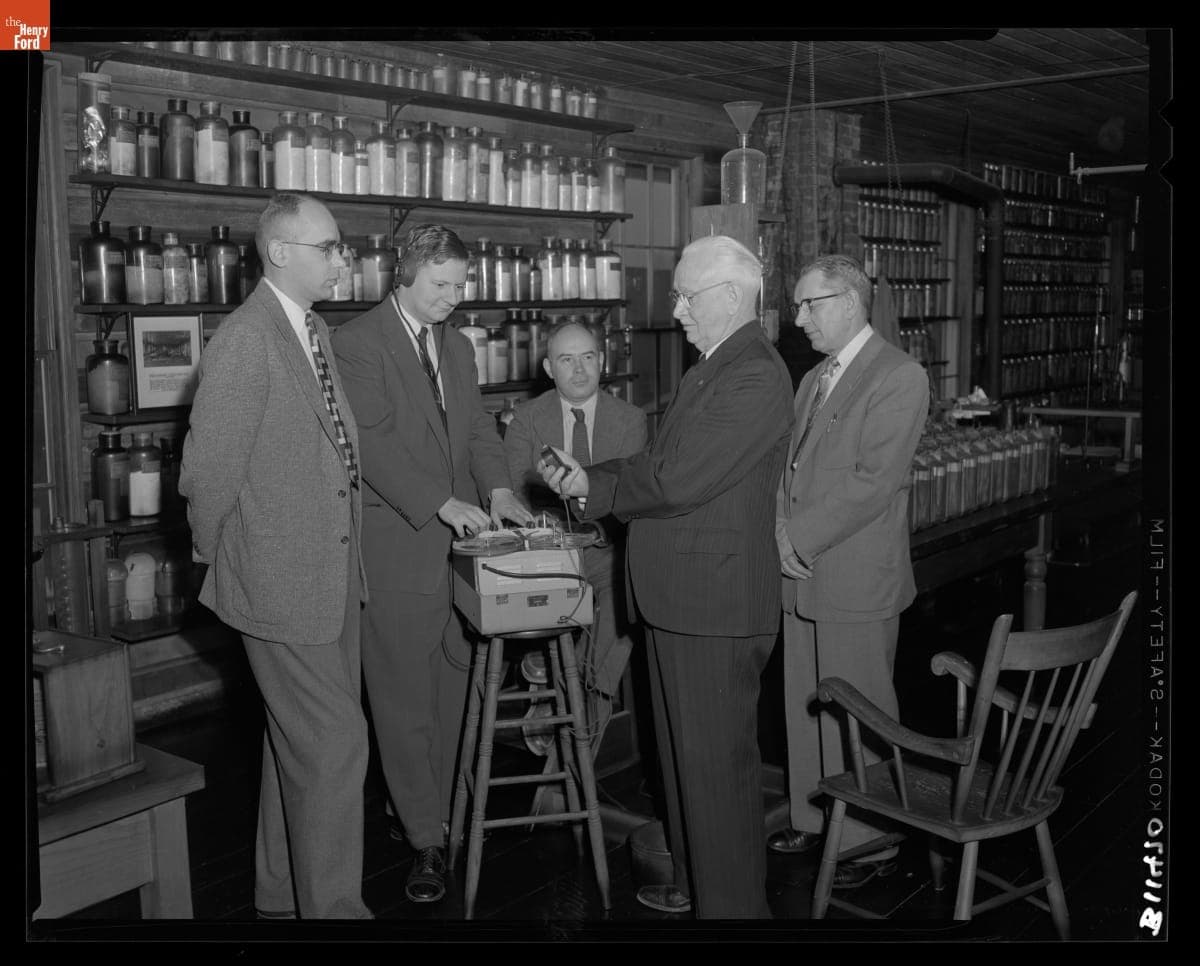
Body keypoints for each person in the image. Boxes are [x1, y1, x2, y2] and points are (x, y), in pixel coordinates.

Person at [540, 235, 793, 919]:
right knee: (685, 777)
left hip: (712, 606)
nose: (676, 308)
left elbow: (676, 477)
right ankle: (696, 887)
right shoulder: (714, 366)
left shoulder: (755, 374)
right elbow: (663, 464)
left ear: (732, 298)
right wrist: (588, 482)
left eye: (687, 295)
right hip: (684, 600)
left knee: (716, 786)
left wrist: (598, 487)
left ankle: (734, 914)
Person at [179, 193, 371, 919]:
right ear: (282, 252)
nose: (341, 258)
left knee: (300, 740)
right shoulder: (247, 339)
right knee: (334, 745)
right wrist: (229, 560)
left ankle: (281, 895)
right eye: (328, 246)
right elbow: (206, 476)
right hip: (282, 578)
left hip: (332, 572)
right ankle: (335, 913)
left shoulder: (311, 328)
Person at [331, 224, 533, 905]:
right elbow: (375, 446)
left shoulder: (458, 345)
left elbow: (477, 429)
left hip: (464, 547)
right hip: (401, 546)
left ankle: (439, 811)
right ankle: (425, 839)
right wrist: (444, 503)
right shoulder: (357, 343)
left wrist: (499, 486)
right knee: (401, 700)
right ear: (405, 274)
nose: (454, 297)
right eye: (442, 286)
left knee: (456, 686)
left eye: (460, 285)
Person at [769, 253, 929, 889]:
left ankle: (870, 841)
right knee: (806, 700)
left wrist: (794, 536)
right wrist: (780, 536)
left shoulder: (899, 375)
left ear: (850, 303)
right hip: (801, 569)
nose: (800, 318)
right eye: (799, 305)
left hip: (853, 575)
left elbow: (873, 483)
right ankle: (816, 817)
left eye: (811, 305)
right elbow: (793, 472)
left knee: (860, 709)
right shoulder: (814, 377)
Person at [503, 319, 648, 753]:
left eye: (588, 357)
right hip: (548, 550)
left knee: (624, 612)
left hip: (604, 546)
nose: (580, 369)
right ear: (549, 368)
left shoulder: (630, 420)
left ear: (601, 361)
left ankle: (573, 707)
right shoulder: (526, 420)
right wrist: (544, 537)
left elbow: (629, 499)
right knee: (561, 611)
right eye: (567, 360)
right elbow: (512, 492)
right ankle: (565, 690)